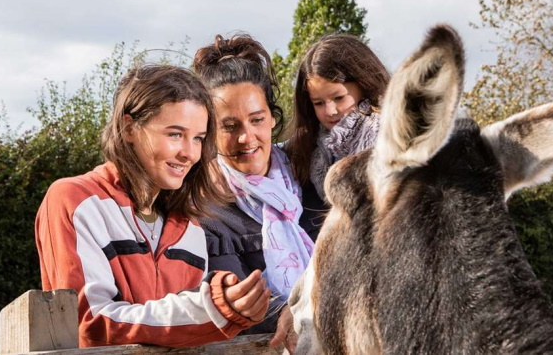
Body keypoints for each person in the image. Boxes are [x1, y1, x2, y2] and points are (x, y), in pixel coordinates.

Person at [35, 65, 270, 348]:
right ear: (129, 127)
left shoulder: (189, 226)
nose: (189, 153)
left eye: (198, 138)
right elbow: (90, 322)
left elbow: (186, 331)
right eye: (175, 134)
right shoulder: (76, 200)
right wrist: (210, 308)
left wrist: (227, 300)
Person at [192, 34, 327, 352]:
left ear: (272, 117)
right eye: (229, 126)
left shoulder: (313, 178)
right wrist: (292, 316)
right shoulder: (206, 212)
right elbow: (242, 303)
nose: (246, 137)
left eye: (256, 120)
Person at [286, 33, 392, 202]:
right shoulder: (306, 146)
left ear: (364, 84)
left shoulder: (390, 138)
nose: (330, 111)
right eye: (318, 103)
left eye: (339, 98)